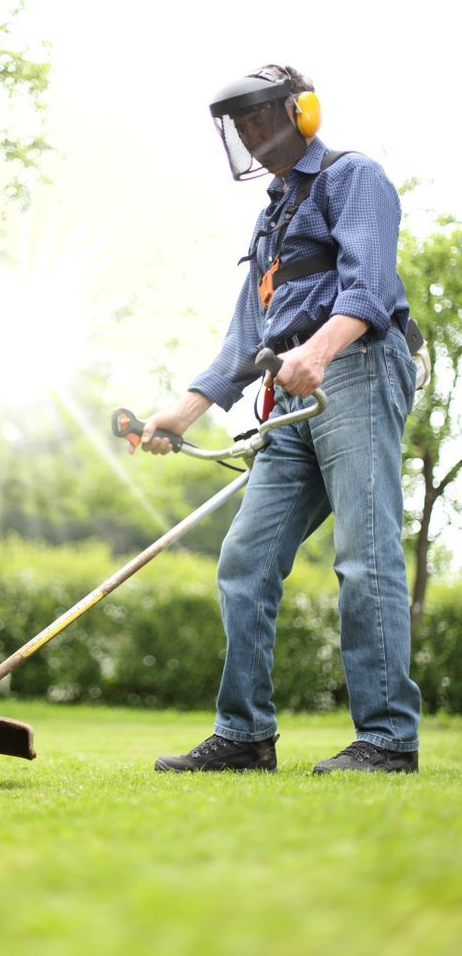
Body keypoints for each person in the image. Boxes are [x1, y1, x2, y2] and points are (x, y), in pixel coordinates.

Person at [140, 64, 421, 775]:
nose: (248, 131)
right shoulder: (272, 217)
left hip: (350, 372)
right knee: (243, 562)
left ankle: (387, 737)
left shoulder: (351, 178)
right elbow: (245, 335)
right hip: (289, 395)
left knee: (364, 554)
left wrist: (321, 351)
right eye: (238, 123)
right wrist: (180, 412)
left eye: (260, 115)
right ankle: (243, 735)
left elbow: (369, 286)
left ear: (302, 111)